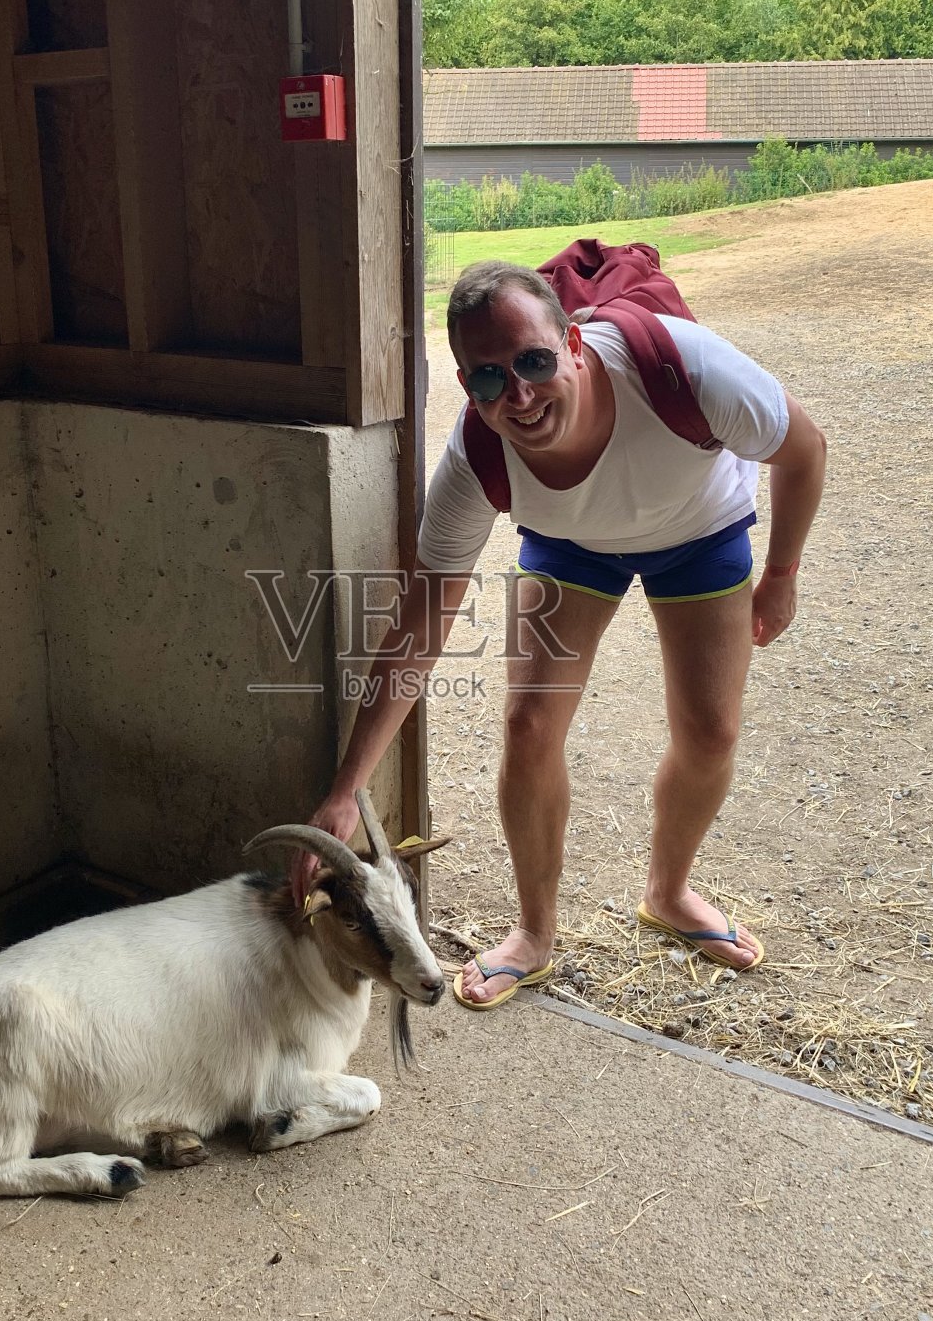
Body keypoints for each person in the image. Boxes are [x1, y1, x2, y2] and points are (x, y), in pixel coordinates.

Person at [295, 259, 827, 1008]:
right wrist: (346, 789)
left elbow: (804, 447)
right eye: (488, 378)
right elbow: (422, 619)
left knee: (711, 731)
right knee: (531, 724)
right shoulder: (477, 456)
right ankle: (534, 934)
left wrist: (782, 574)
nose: (518, 394)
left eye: (535, 361)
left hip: (700, 531)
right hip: (571, 546)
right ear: (465, 385)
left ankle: (669, 893)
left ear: (574, 343)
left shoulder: (685, 367)